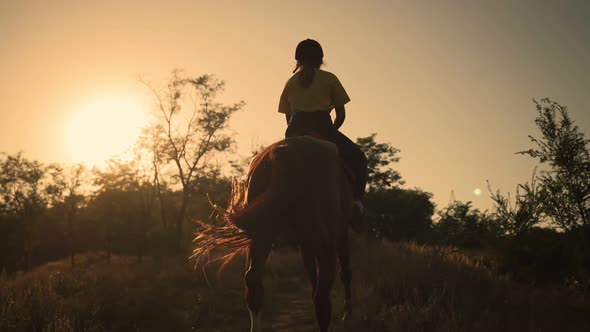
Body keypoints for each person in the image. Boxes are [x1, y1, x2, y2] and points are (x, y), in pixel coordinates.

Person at [278, 38, 368, 218]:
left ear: (298, 59)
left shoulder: (290, 82)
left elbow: (288, 116)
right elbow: (341, 114)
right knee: (359, 158)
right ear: (320, 59)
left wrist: (294, 134)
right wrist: (332, 131)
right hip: (323, 127)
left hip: (294, 129)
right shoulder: (330, 79)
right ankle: (357, 203)